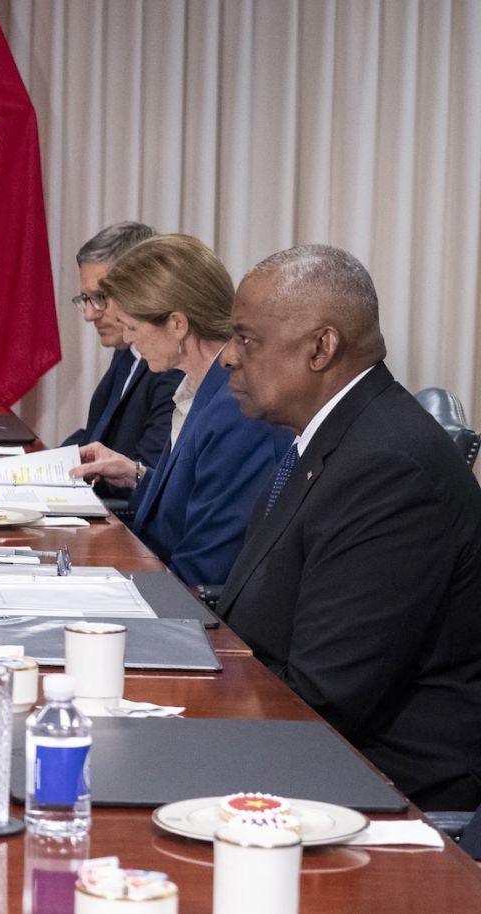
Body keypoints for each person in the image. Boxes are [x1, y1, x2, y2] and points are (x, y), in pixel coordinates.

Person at [219, 244, 481, 810]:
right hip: (297, 745)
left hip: (379, 789)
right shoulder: (333, 438)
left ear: (321, 347)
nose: (228, 358)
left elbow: (323, 694)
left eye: (247, 338)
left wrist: (186, 709)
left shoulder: (388, 466)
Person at [69, 235, 289, 587]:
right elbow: (196, 497)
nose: (130, 341)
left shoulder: (239, 412)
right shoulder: (203, 389)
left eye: (133, 327)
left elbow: (206, 567)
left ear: (177, 324)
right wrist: (137, 474)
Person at [60, 222, 181, 503]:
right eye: (85, 299)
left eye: (100, 297)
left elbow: (148, 473)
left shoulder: (170, 366)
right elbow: (96, 434)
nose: (90, 314)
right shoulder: (127, 351)